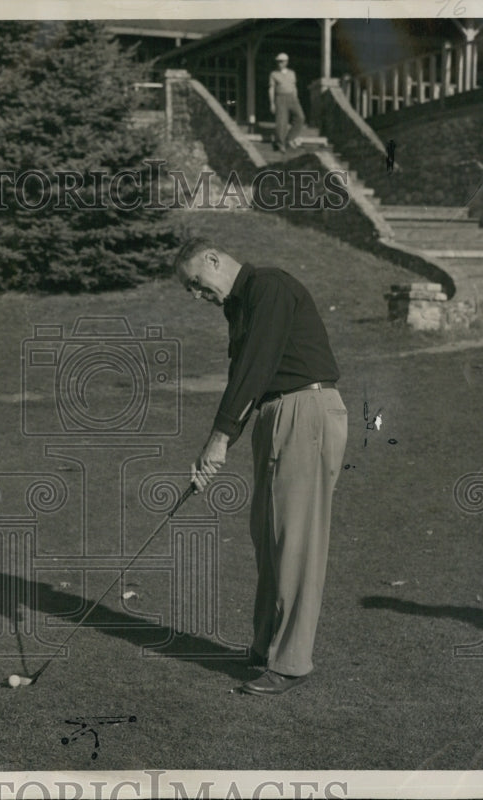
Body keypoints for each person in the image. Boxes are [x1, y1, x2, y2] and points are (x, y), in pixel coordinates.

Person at [174, 238, 348, 695]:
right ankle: (264, 645)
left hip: (305, 409)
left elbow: (256, 365)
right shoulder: (240, 305)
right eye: (190, 290)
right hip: (275, 415)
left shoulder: (268, 286)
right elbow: (244, 379)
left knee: (295, 539)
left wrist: (220, 437)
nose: (197, 295)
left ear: (213, 260)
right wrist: (219, 442)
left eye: (196, 282)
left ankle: (290, 663)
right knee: (268, 533)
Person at [269, 52, 305, 151]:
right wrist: (272, 103)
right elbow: (271, 89)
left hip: (292, 97)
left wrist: (296, 99)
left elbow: (294, 87)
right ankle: (280, 143)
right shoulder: (274, 74)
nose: (279, 63)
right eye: (278, 62)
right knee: (282, 121)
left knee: (300, 117)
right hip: (280, 98)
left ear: (286, 62)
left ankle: (290, 138)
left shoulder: (292, 73)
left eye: (281, 61)